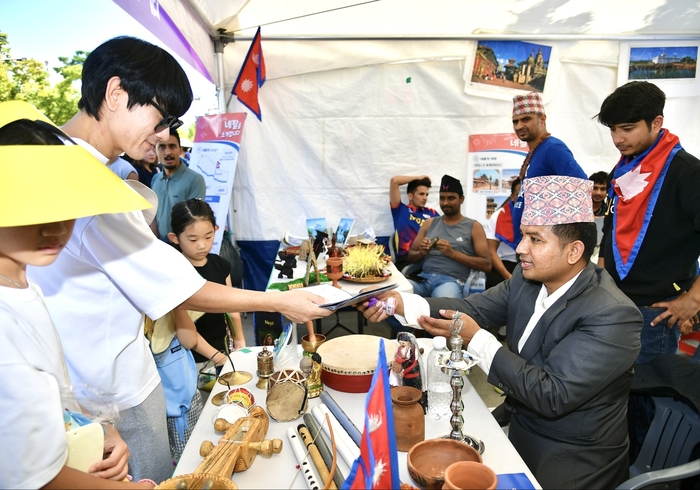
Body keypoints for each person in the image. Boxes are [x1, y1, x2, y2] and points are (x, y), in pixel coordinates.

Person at [28, 36, 331, 483]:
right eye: (160, 117)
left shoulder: (59, 159)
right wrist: (281, 302)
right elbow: (180, 286)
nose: (164, 135)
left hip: (86, 385)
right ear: (115, 94)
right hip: (111, 389)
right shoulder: (87, 185)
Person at [360, 175, 643, 489]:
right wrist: (402, 303)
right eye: (523, 236)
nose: (520, 249)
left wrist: (478, 340)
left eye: (535, 239)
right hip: (520, 423)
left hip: (572, 459)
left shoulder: (612, 314)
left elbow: (552, 395)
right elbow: (473, 308)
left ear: (574, 251)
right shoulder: (527, 279)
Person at [0, 100, 155, 489]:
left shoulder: (23, 283)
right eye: (34, 206)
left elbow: (52, 395)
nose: (56, 227)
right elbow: (35, 478)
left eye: (67, 205)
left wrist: (100, 428)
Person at [596, 81, 700, 363]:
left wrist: (692, 301)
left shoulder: (687, 172)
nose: (618, 139)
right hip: (614, 304)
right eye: (612, 130)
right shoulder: (621, 169)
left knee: (649, 398)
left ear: (656, 123)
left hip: (656, 311)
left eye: (627, 129)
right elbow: (609, 231)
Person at [167, 198, 246, 367]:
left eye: (208, 236)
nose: (202, 245)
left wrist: (239, 338)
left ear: (216, 230)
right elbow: (187, 333)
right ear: (175, 238)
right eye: (193, 240)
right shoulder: (175, 273)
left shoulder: (221, 265)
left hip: (223, 348)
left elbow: (232, 306)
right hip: (192, 359)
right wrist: (219, 358)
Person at [510, 91, 587, 244]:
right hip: (530, 244)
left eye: (526, 119)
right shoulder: (537, 151)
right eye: (515, 121)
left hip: (545, 247)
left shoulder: (553, 148)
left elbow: (581, 186)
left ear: (542, 119)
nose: (519, 126)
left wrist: (556, 236)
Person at [403, 174, 490, 298]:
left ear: (461, 199)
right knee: (395, 296)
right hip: (422, 279)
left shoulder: (474, 226)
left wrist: (452, 253)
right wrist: (422, 252)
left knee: (443, 308)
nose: (445, 203)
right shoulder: (429, 223)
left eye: (451, 198)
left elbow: (486, 265)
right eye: (442, 198)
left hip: (451, 282)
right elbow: (411, 256)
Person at [152, 128, 206, 241]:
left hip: (183, 248)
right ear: (155, 151)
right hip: (160, 247)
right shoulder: (155, 179)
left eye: (172, 146)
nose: (168, 152)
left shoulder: (195, 180)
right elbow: (153, 215)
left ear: (180, 149)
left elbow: (194, 220)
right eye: (162, 147)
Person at [389, 175, 439, 270]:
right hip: (407, 258)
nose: (425, 198)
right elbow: (394, 181)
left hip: (429, 257)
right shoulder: (400, 210)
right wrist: (418, 178)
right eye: (421, 194)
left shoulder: (432, 213)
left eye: (426, 194)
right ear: (410, 196)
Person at [484, 178, 520, 289]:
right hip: (504, 263)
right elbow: (491, 251)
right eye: (519, 195)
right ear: (512, 196)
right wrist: (508, 276)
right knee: (494, 282)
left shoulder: (539, 217)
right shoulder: (498, 216)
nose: (524, 199)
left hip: (530, 263)